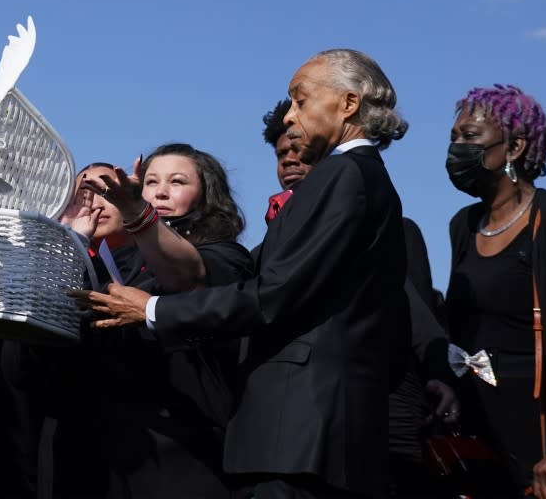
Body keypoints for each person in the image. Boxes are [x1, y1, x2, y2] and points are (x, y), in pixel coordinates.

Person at [76, 48, 411, 499]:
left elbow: (273, 294)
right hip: (309, 431)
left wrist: (154, 309)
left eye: (301, 99)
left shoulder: (343, 173)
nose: (290, 117)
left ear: (349, 104)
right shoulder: (359, 176)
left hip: (300, 431)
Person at [261, 98, 458, 497]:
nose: (290, 162)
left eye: (300, 151)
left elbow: (415, 316)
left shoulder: (390, 227)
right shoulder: (273, 241)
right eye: (282, 154)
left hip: (384, 404)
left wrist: (437, 373)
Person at [58, 150, 254, 498]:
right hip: (115, 450)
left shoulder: (222, 255)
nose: (160, 192)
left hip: (188, 447)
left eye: (177, 182)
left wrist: (137, 214)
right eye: (150, 182)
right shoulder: (117, 260)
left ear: (207, 195)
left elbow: (187, 276)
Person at [444, 84, 546, 499]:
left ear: (514, 147)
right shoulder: (463, 225)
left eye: (470, 137)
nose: (456, 149)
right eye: (453, 137)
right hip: (485, 447)